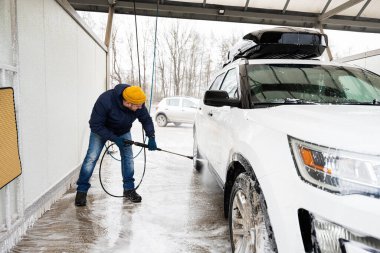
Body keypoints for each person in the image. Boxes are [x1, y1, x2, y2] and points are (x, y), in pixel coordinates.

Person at [75, 84, 157, 206]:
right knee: (91, 158)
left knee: (128, 157)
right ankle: (81, 190)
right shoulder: (105, 100)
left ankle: (129, 189)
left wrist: (151, 136)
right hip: (100, 131)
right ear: (128, 103)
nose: (141, 107)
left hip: (123, 131)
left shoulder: (138, 102)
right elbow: (95, 125)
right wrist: (114, 139)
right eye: (138, 106)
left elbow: (145, 119)